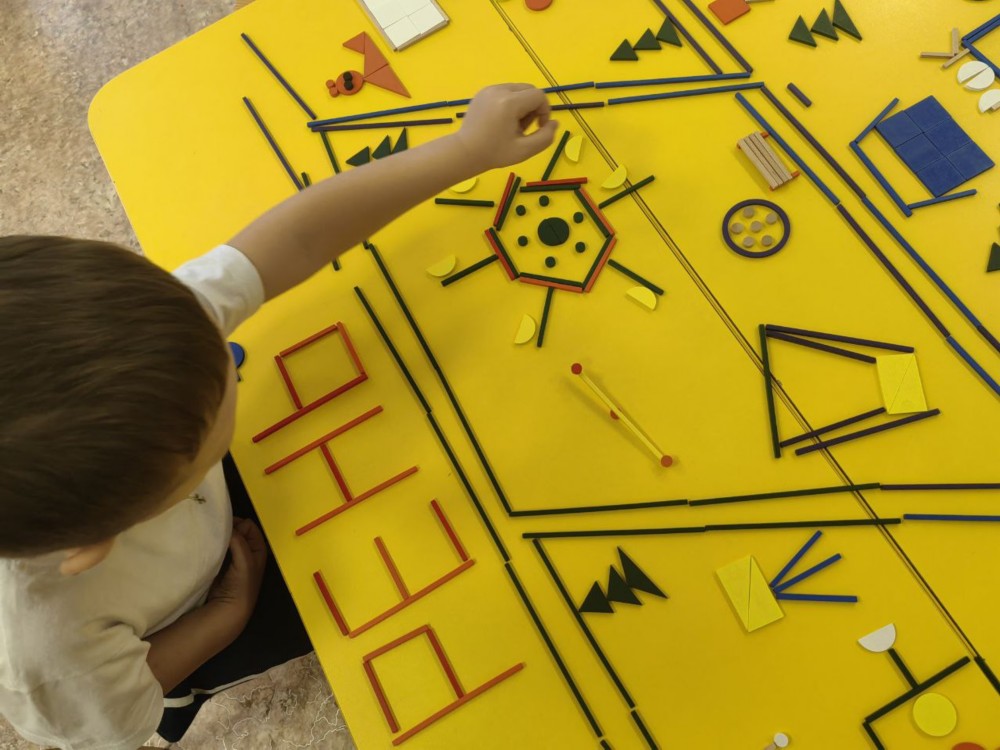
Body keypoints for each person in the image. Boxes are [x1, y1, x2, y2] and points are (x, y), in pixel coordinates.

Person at [0, 83, 557, 750]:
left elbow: (295, 235)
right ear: (94, 544)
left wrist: (466, 150)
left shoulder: (143, 336)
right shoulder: (50, 658)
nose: (230, 354)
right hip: (195, 611)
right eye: (216, 405)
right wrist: (225, 617)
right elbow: (117, 712)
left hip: (180, 514)